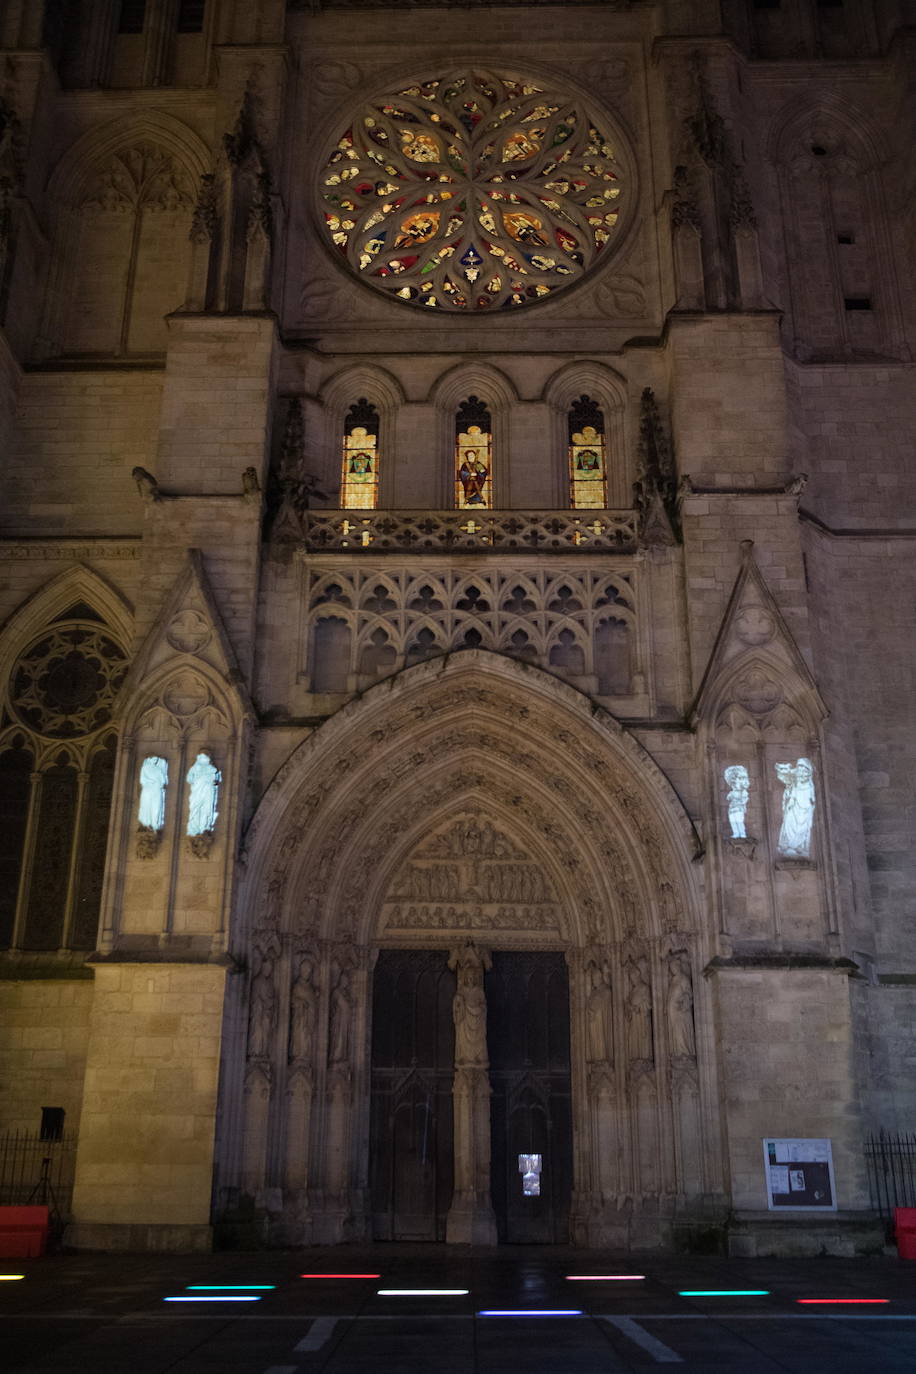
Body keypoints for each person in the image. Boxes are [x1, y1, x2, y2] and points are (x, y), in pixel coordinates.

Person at [775, 757, 815, 858]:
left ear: (808, 773)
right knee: (789, 823)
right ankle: (788, 844)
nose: (802, 774)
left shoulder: (810, 786)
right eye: (800, 771)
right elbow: (792, 792)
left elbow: (812, 799)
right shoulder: (795, 784)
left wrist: (812, 803)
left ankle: (799, 846)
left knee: (802, 828)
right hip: (794, 808)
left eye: (804, 772)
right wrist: (791, 800)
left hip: (805, 810)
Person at [186, 752, 219, 836]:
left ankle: (204, 827)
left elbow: (216, 780)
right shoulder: (195, 768)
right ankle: (195, 828)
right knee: (196, 809)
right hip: (198, 792)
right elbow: (189, 779)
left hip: (208, 791)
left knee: (207, 809)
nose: (204, 759)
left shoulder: (212, 769)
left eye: (206, 757)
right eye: (202, 757)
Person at [138, 755, 168, 831]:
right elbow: (142, 780)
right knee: (147, 807)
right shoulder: (145, 768)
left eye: (156, 759)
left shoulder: (158, 770)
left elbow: (163, 781)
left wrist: (157, 784)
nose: (154, 760)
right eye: (153, 758)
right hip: (149, 790)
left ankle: (154, 824)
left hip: (156, 790)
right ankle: (148, 824)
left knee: (156, 807)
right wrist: (153, 782)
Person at [724, 764, 750, 839]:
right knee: (733, 821)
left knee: (739, 821)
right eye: (740, 778)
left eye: (744, 778)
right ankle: (736, 833)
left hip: (738, 808)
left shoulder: (743, 792)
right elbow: (728, 798)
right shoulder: (733, 792)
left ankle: (742, 833)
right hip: (732, 809)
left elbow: (745, 799)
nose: (744, 780)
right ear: (733, 780)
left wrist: (741, 803)